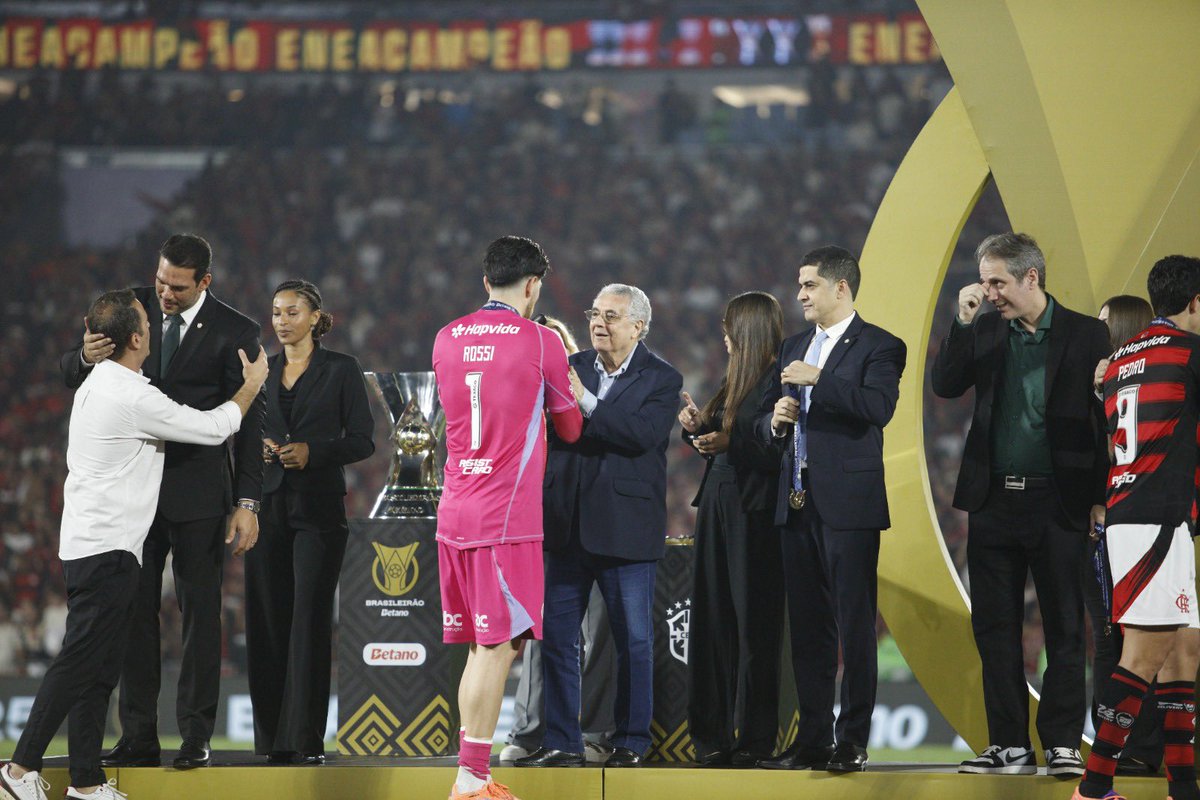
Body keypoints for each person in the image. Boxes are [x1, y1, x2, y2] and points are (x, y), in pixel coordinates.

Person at [0, 289, 267, 800]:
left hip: (95, 544)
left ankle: (85, 781)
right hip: (108, 550)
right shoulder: (131, 394)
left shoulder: (102, 381)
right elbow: (212, 429)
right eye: (147, 318)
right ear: (138, 337)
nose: (155, 315)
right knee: (80, 662)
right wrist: (251, 387)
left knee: (99, 666)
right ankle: (18, 770)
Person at [60, 234, 265, 770]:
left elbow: (247, 426)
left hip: (198, 497)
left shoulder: (237, 330)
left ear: (204, 282)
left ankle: (196, 735)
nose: (164, 294)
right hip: (135, 498)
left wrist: (248, 500)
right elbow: (68, 375)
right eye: (160, 281)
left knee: (200, 616)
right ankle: (139, 735)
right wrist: (83, 355)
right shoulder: (129, 310)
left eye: (176, 286)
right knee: (134, 615)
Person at [931, 232, 1110, 776]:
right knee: (994, 626)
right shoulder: (984, 327)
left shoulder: (1086, 333)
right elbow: (944, 384)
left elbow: (1104, 421)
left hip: (1059, 500)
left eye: (997, 282)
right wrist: (960, 323)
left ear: (1031, 277)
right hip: (992, 502)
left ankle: (1060, 742)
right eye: (985, 282)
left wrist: (1100, 499)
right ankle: (1008, 744)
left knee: (1064, 625)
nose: (988, 293)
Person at [432, 236, 582, 800]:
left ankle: (470, 772)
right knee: (500, 648)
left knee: (482, 646)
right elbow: (570, 428)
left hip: (455, 510)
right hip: (505, 518)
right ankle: (471, 780)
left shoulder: (446, 338)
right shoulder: (541, 341)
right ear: (533, 286)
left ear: (485, 280)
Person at [515, 283, 683, 770]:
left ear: (639, 327)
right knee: (557, 638)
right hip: (565, 527)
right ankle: (562, 740)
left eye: (612, 315)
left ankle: (631, 740)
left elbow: (641, 436)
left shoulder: (662, 379)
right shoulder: (572, 366)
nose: (599, 322)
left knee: (633, 641)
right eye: (595, 313)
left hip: (626, 532)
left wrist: (586, 402)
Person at [756, 246, 906, 773]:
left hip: (849, 506)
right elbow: (769, 426)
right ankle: (813, 738)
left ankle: (853, 741)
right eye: (799, 285)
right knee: (810, 627)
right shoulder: (794, 346)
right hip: (796, 502)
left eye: (809, 285)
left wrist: (821, 380)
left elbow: (878, 408)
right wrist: (774, 421)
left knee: (854, 624)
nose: (799, 294)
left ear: (841, 287)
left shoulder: (881, 345)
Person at [1072, 255, 1200, 800]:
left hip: (1136, 513)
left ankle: (1185, 788)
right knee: (1143, 656)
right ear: (1197, 303)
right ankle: (1094, 788)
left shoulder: (1122, 356)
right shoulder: (1190, 353)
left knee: (1184, 651)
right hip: (1158, 518)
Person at [245, 280, 375, 765]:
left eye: (292, 311)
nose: (281, 320)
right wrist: (255, 448)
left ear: (316, 317)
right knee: (267, 619)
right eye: (276, 311)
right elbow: (239, 426)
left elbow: (363, 440)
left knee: (308, 622)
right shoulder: (262, 370)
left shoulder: (341, 369)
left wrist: (314, 453)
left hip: (318, 510)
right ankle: (270, 741)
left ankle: (304, 740)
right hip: (265, 506)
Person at [501, 315, 617, 766]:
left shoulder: (593, 389)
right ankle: (531, 731)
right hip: (548, 524)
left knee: (600, 630)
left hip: (603, 522)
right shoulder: (520, 396)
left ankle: (593, 731)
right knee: (541, 629)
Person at [679, 291, 785, 767]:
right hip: (717, 501)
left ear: (748, 329)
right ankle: (710, 735)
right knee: (711, 620)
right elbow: (724, 431)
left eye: (729, 326)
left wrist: (730, 439)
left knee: (752, 626)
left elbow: (777, 448)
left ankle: (756, 739)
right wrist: (696, 428)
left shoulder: (778, 379)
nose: (723, 335)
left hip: (753, 509)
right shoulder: (735, 378)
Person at [1087, 294, 1162, 776]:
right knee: (1107, 639)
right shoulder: (1097, 383)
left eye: (1103, 325)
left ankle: (1141, 746)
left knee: (1139, 639)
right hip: (1102, 526)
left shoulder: (1140, 383)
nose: (1096, 333)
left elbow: (1122, 451)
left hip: (1136, 522)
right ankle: (1110, 745)